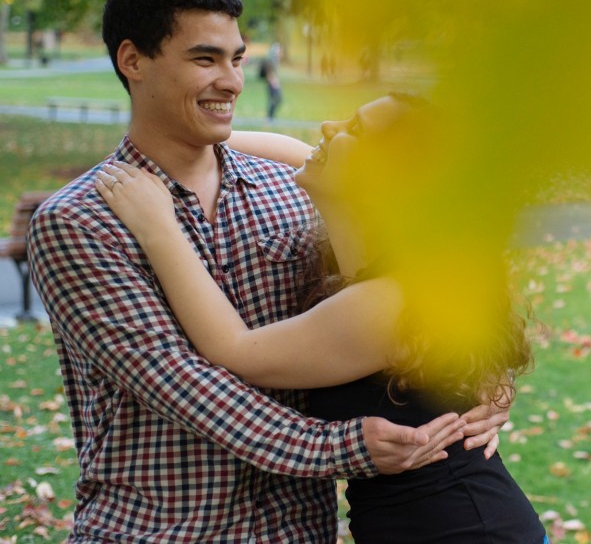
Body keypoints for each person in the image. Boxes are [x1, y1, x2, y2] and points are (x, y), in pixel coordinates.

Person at [26, 0, 505, 542]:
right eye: (205, 59)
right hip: (162, 531)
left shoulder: (299, 189)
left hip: (297, 530)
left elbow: (431, 255)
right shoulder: (81, 221)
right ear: (133, 60)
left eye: (237, 59)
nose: (232, 81)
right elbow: (188, 385)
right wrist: (346, 446)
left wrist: (485, 381)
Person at [95, 92, 548, 543]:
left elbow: (233, 349)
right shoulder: (384, 261)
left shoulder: (388, 303)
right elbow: (264, 148)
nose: (329, 128)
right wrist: (177, 132)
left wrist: (158, 228)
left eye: (355, 130)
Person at [259, 42, 283, 121]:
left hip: (273, 83)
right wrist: (274, 83)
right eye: (279, 50)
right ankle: (270, 117)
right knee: (276, 99)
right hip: (272, 84)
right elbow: (269, 72)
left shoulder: (275, 59)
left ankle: (270, 117)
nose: (281, 52)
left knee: (274, 99)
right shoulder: (272, 59)